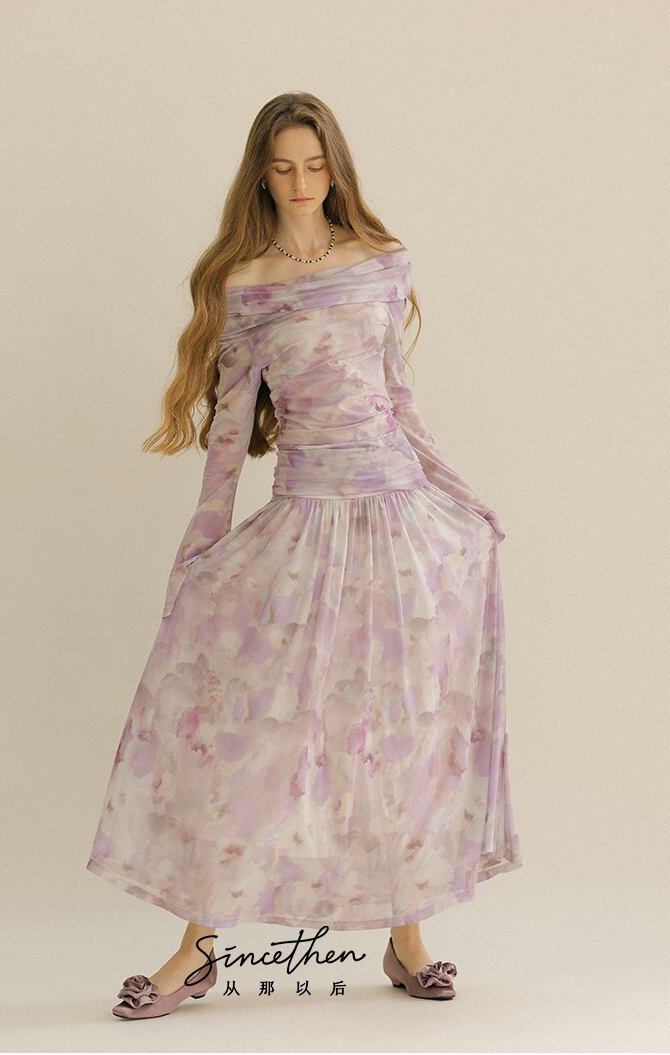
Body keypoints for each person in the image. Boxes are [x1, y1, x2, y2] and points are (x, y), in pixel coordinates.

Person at [86, 91, 523, 1019]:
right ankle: (197, 949)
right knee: (254, 734)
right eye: (283, 167)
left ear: (336, 168)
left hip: (399, 518)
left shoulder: (382, 261)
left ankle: (407, 939)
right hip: (305, 517)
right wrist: (201, 547)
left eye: (315, 165)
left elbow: (398, 398)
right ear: (260, 173)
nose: (300, 182)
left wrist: (461, 493)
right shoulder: (244, 284)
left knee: (399, 726)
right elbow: (228, 430)